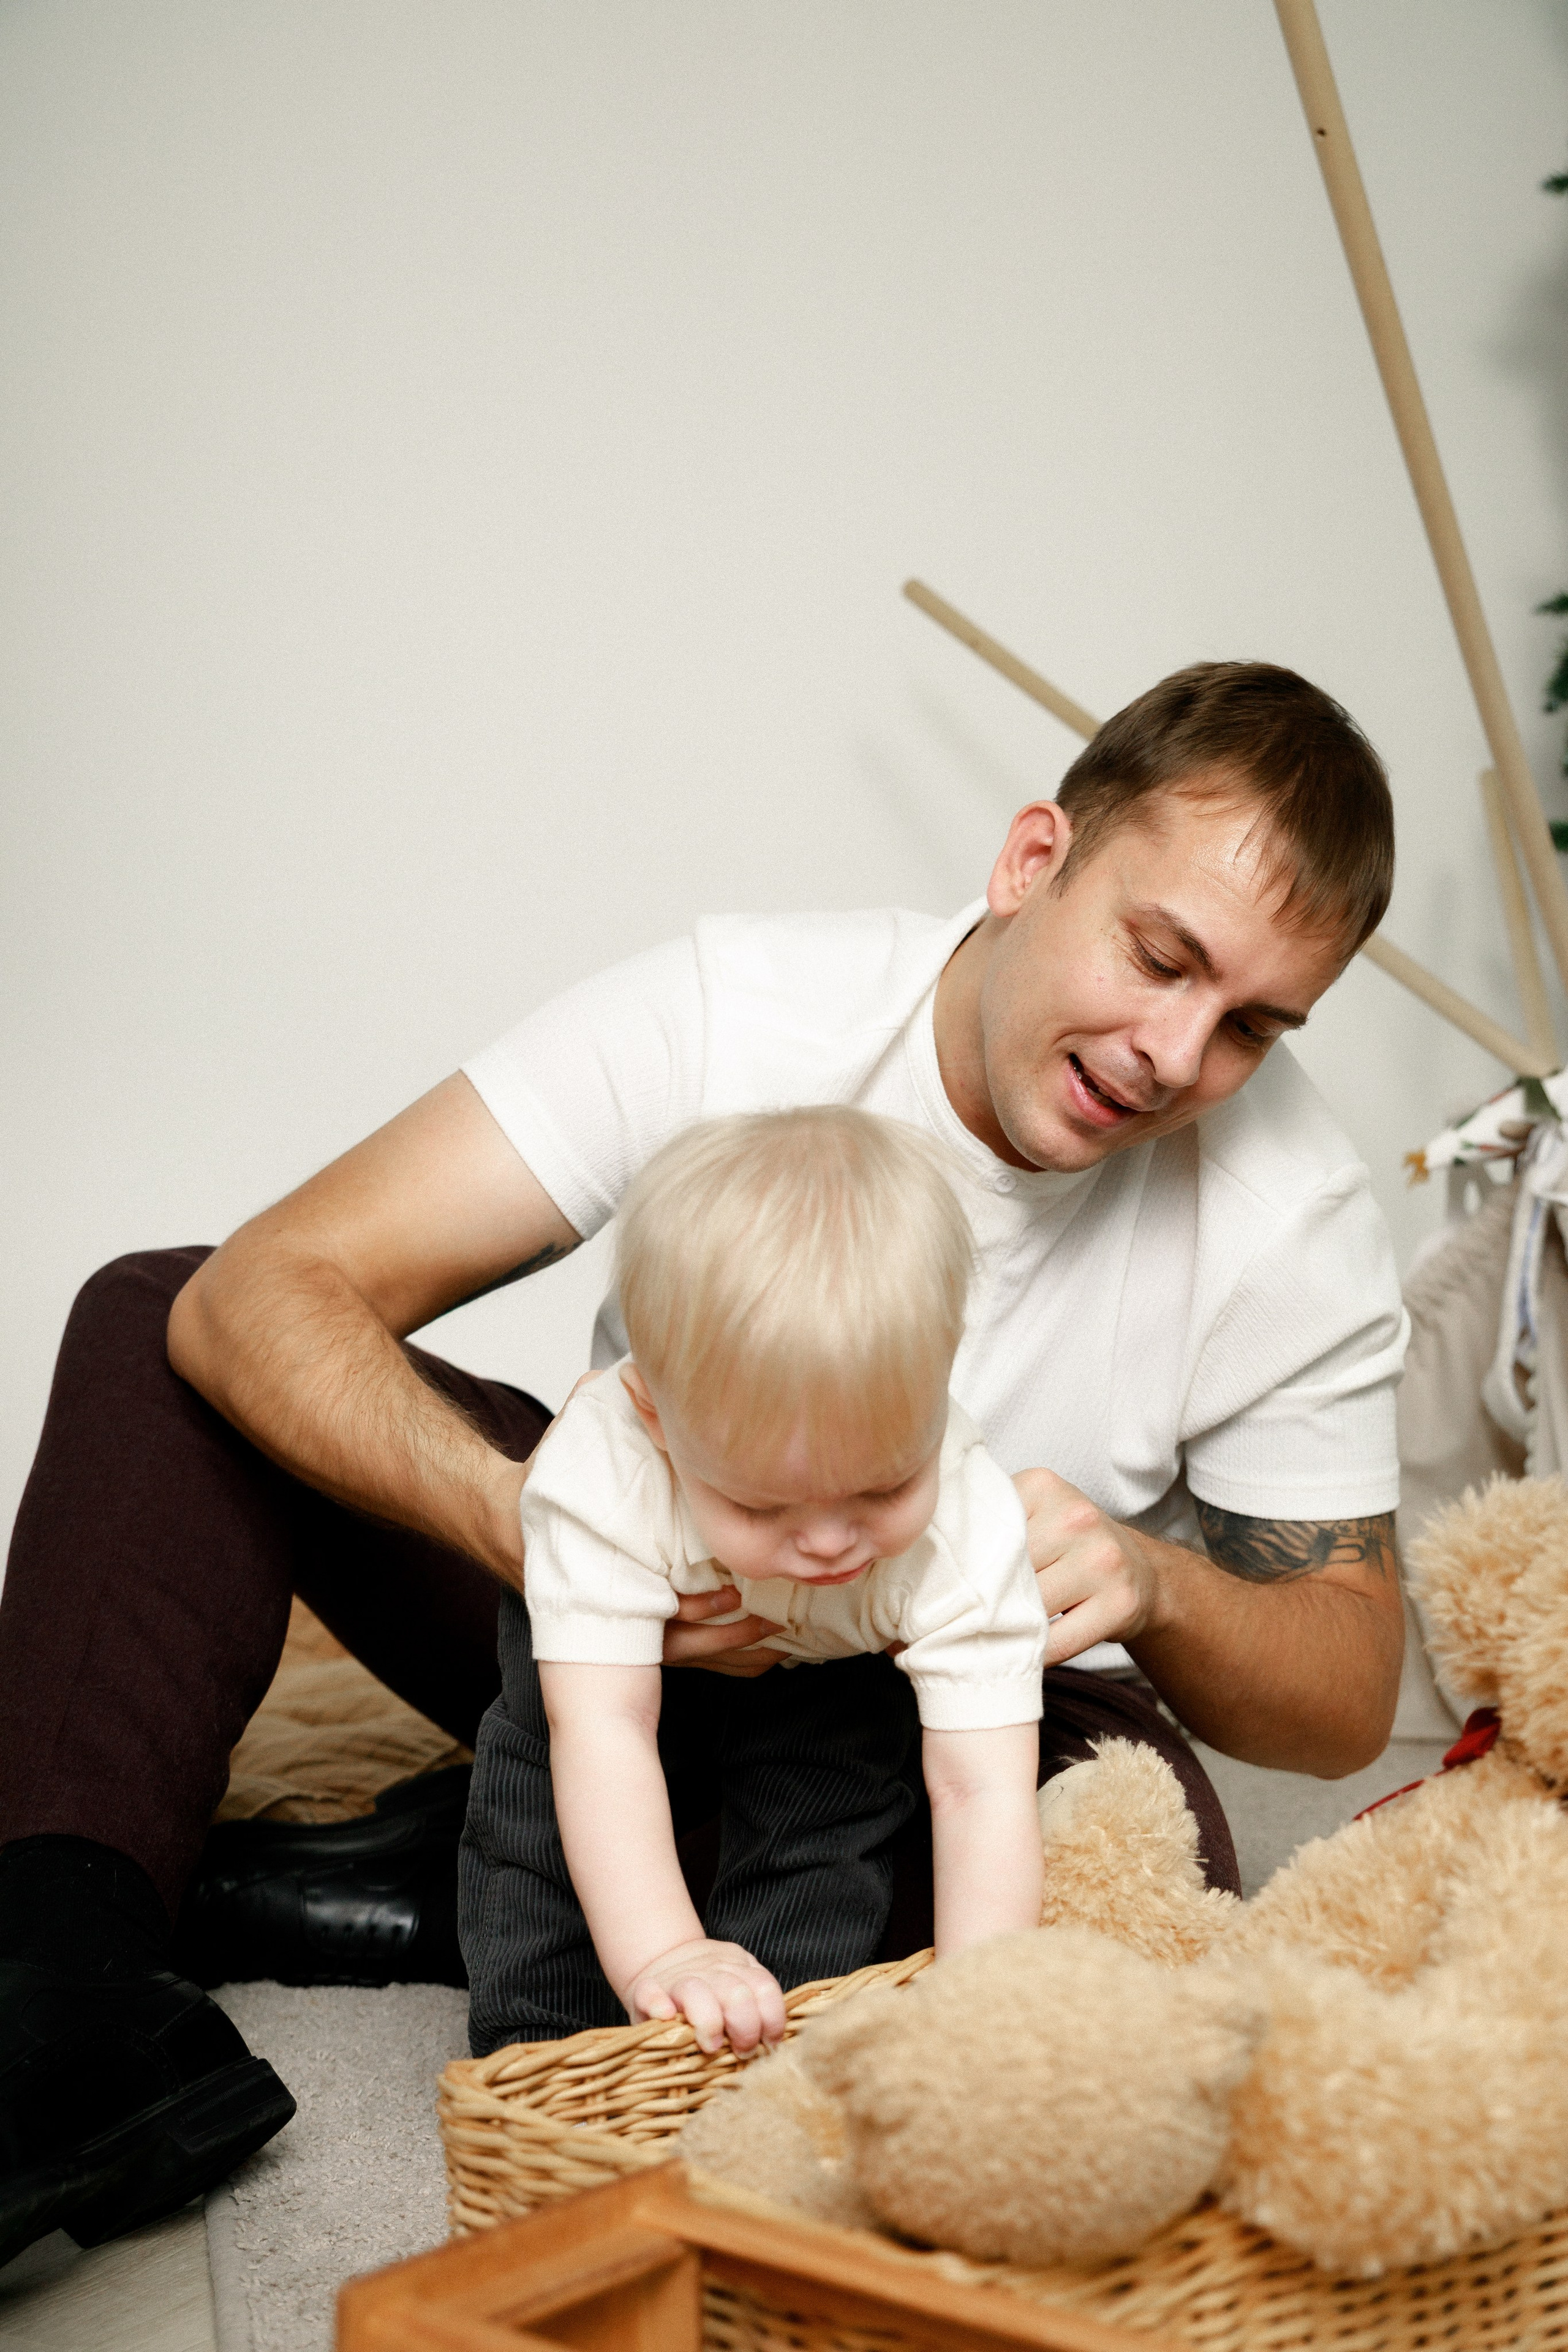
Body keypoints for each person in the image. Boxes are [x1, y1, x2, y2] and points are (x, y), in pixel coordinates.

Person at [0, 660, 1408, 2267]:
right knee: (153, 1322)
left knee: (1130, 1876)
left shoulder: (1293, 1216)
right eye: (1160, 957)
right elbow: (263, 1295)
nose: (1173, 1051)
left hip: (917, 1677)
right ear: (1035, 861)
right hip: (616, 1597)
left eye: (1250, 1028)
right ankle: (61, 1978)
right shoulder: (740, 1011)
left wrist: (1155, 1585)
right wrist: (540, 1535)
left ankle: (463, 1882)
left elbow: (1351, 1688)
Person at [463, 1107, 1049, 2055]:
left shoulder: (966, 1525)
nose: (826, 1543)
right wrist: (667, 1954)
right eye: (763, 1506)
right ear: (656, 1418)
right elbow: (601, 1729)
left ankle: (776, 2035)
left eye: (884, 1487)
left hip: (832, 1662)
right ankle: (543, 2034)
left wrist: (984, 2016)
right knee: (536, 1795)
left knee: (838, 1791)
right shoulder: (602, 1478)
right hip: (611, 1668)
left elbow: (982, 1791)